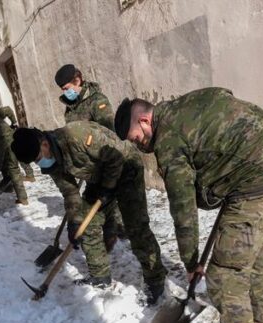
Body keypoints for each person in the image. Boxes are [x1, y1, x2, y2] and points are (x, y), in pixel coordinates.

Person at [114, 87, 263, 323]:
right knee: (251, 259)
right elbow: (259, 115)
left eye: (137, 137)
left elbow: (183, 209)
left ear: (145, 120)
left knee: (224, 277)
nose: (140, 144)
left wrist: (191, 262)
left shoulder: (169, 143)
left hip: (254, 189)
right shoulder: (197, 100)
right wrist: (233, 164)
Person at [11, 123, 167, 303]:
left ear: (43, 143)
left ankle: (155, 279)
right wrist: (74, 222)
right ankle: (100, 277)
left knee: (135, 226)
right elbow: (70, 193)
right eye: (35, 162)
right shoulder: (52, 163)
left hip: (126, 167)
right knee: (87, 224)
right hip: (98, 179)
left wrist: (108, 188)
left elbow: (116, 158)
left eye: (38, 158)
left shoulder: (77, 136)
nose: (39, 163)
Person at [55, 64, 125, 254]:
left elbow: (109, 133)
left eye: (66, 88)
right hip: (89, 165)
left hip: (104, 158)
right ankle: (114, 227)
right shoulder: (70, 109)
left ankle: (116, 228)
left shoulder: (97, 101)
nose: (65, 92)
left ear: (77, 80)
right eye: (62, 89)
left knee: (108, 196)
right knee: (100, 199)